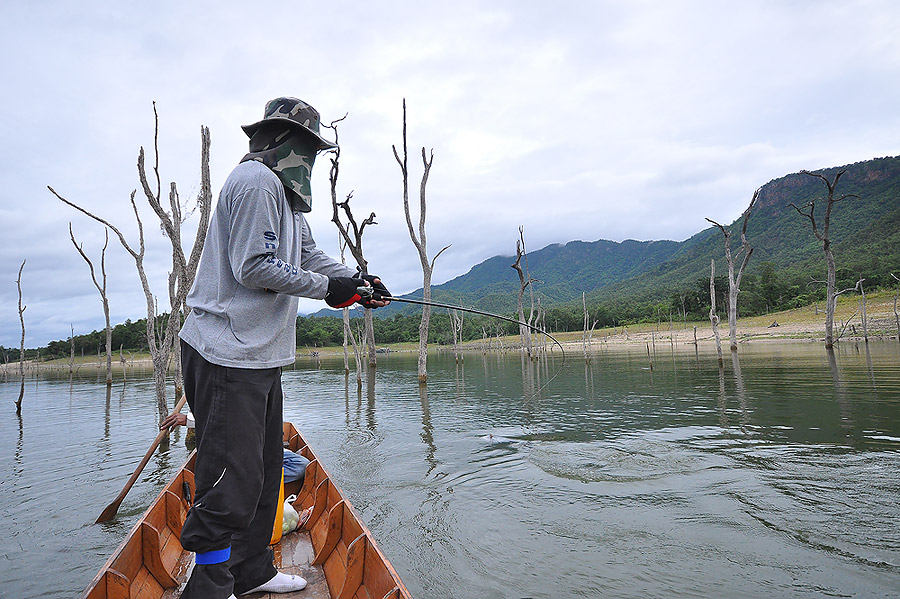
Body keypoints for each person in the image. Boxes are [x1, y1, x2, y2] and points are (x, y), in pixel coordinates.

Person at [170, 97, 390, 599]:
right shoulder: (254, 183)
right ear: (279, 141)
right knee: (230, 479)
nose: (310, 159)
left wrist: (356, 280)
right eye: (307, 147)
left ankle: (252, 574)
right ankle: (207, 587)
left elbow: (308, 255)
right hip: (226, 352)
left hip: (259, 355)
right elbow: (255, 267)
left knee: (267, 472)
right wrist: (329, 290)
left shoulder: (287, 201)